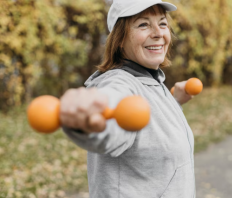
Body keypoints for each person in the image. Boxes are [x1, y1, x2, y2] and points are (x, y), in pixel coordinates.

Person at [61, 0, 196, 197]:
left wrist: (174, 102)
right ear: (120, 39)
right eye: (143, 24)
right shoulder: (119, 85)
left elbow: (149, 129)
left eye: (163, 23)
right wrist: (90, 123)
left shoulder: (150, 80)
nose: (158, 33)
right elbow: (112, 118)